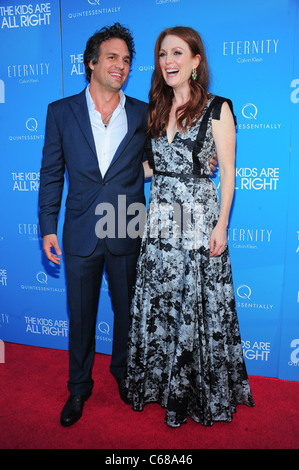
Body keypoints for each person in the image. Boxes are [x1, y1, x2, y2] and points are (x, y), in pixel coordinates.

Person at [39, 23, 217, 427]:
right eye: (112, 58)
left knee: (128, 312)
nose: (120, 66)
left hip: (127, 225)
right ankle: (79, 388)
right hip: (82, 230)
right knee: (80, 316)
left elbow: (162, 158)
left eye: (126, 60)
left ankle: (124, 376)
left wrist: (199, 161)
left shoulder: (143, 112)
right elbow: (51, 173)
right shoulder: (60, 112)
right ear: (91, 63)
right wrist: (48, 227)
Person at [124, 26, 254, 427]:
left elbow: (228, 174)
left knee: (197, 310)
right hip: (160, 225)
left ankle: (193, 396)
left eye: (178, 53)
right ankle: (158, 387)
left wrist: (222, 225)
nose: (169, 62)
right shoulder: (155, 109)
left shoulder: (218, 108)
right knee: (162, 307)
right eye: (163, 54)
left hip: (197, 225)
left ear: (196, 61)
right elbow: (152, 167)